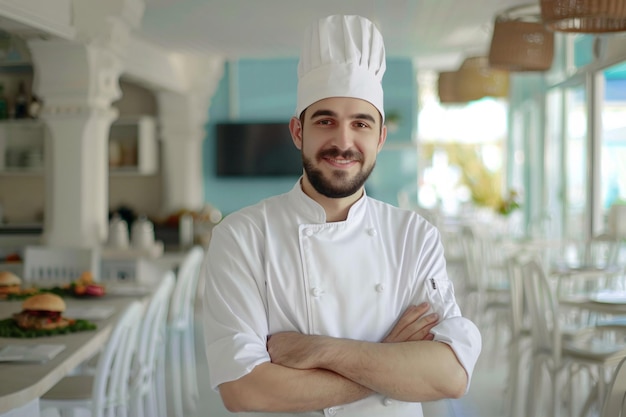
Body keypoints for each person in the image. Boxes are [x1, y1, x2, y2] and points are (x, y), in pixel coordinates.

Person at [202, 14, 482, 417]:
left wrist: (318, 351)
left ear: (380, 137)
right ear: (299, 132)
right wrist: (391, 362)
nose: (343, 141)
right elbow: (246, 391)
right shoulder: (242, 237)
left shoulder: (413, 236)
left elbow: (449, 377)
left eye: (361, 123)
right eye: (325, 120)